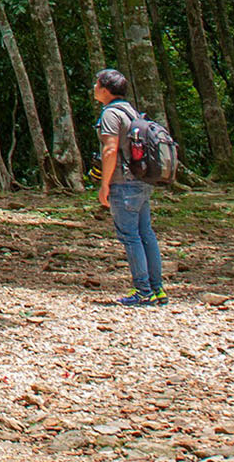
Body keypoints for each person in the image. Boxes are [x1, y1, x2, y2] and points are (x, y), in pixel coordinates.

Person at [93, 69, 165, 306]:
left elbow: (110, 149)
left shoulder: (111, 114)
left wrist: (104, 183)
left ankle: (143, 289)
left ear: (105, 89)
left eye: (96, 85)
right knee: (146, 233)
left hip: (123, 184)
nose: (94, 89)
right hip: (141, 180)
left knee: (130, 236)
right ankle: (157, 289)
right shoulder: (131, 111)